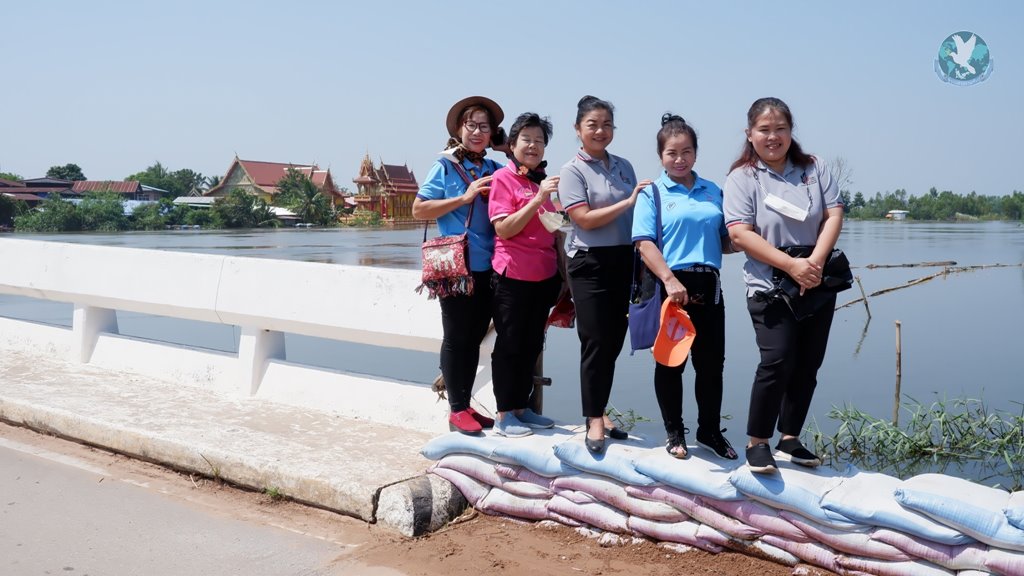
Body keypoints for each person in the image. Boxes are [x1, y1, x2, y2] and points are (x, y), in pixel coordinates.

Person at [723, 97, 844, 474]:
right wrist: (792, 265)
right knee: (776, 360)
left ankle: (789, 437)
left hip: (815, 280)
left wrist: (814, 263)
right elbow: (740, 235)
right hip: (769, 285)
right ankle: (757, 441)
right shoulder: (742, 178)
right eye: (764, 130)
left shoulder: (814, 167)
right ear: (749, 134)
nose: (772, 136)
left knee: (808, 363)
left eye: (780, 129)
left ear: (791, 131)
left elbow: (834, 213)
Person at [632, 114, 737, 460]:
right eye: (672, 153)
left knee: (711, 364)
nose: (680, 159)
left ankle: (710, 431)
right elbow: (644, 243)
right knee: (670, 363)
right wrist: (669, 279)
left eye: (686, 152)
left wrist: (747, 239)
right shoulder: (653, 194)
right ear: (661, 155)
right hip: (672, 287)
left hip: (709, 284)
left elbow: (724, 240)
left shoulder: (713, 191)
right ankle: (674, 432)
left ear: (696, 153)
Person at [558, 95, 650, 454]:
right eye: (592, 124)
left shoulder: (624, 166)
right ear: (578, 129)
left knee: (613, 340)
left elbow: (639, 216)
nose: (600, 131)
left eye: (607, 124)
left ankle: (601, 409)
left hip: (623, 260)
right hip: (589, 263)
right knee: (595, 340)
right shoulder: (572, 171)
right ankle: (594, 418)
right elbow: (582, 219)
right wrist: (627, 202)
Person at [412, 96, 507, 435]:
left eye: (485, 127)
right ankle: (456, 409)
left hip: (489, 265)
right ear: (458, 130)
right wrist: (464, 198)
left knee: (474, 337)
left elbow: (530, 176)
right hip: (456, 268)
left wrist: (505, 148)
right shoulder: (445, 166)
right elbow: (419, 209)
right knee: (456, 338)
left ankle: (466, 406)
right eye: (472, 125)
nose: (478, 132)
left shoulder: (495, 168)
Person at [488, 112, 562, 437]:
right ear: (513, 144)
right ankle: (504, 414)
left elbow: (553, 229)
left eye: (539, 141)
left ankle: (522, 408)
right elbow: (504, 228)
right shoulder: (503, 179)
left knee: (532, 345)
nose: (533, 146)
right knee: (510, 346)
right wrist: (539, 199)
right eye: (527, 139)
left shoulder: (541, 181)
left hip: (543, 276)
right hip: (512, 275)